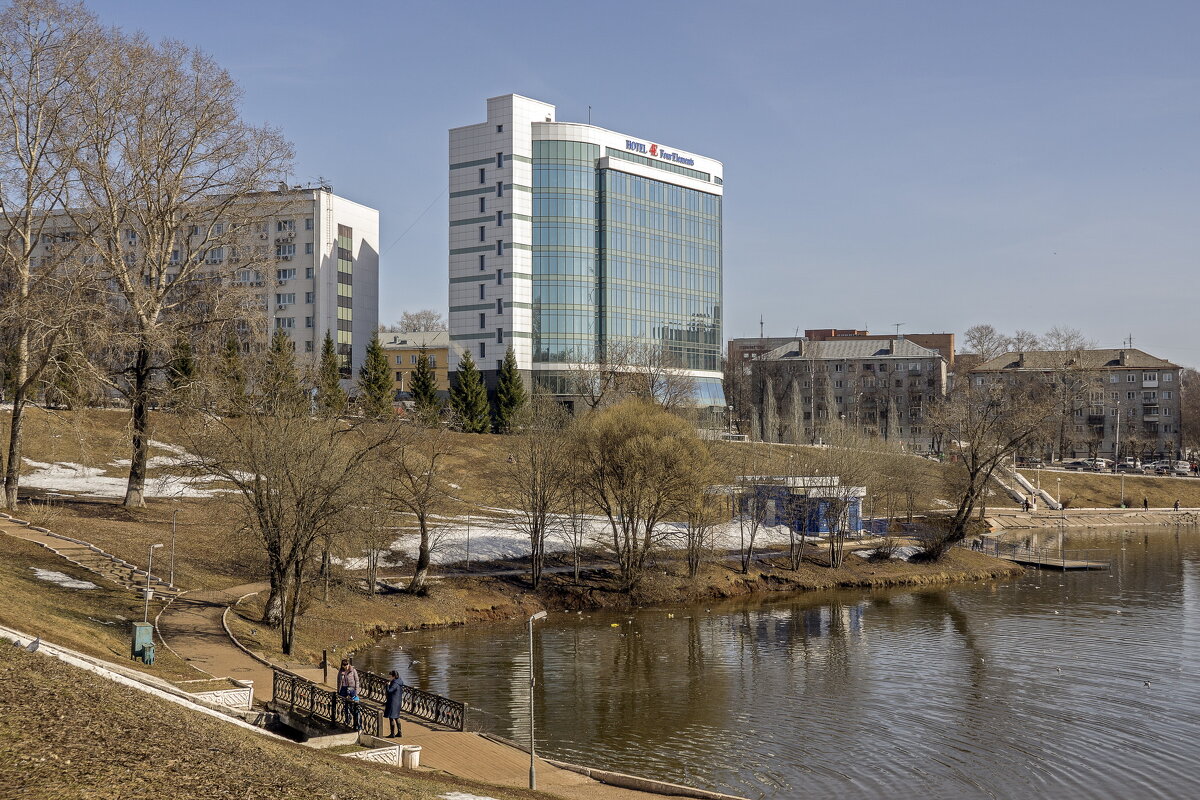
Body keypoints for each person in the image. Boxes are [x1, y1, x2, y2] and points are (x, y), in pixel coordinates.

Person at [337, 658, 361, 730]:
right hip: (344, 689)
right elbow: (338, 681)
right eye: (344, 665)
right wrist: (338, 691)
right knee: (346, 705)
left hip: (352, 689)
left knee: (354, 705)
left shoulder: (353, 670)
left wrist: (356, 691)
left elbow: (357, 681)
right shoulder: (341, 671)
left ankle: (357, 723)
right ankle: (347, 720)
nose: (345, 666)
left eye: (346, 665)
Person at [385, 669, 405, 737]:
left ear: (393, 676)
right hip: (398, 702)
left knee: (391, 717)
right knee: (397, 717)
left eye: (390, 676)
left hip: (393, 702)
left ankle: (392, 733)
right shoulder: (399, 682)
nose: (389, 678)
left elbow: (389, 691)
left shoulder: (395, 684)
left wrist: (387, 685)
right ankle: (399, 732)